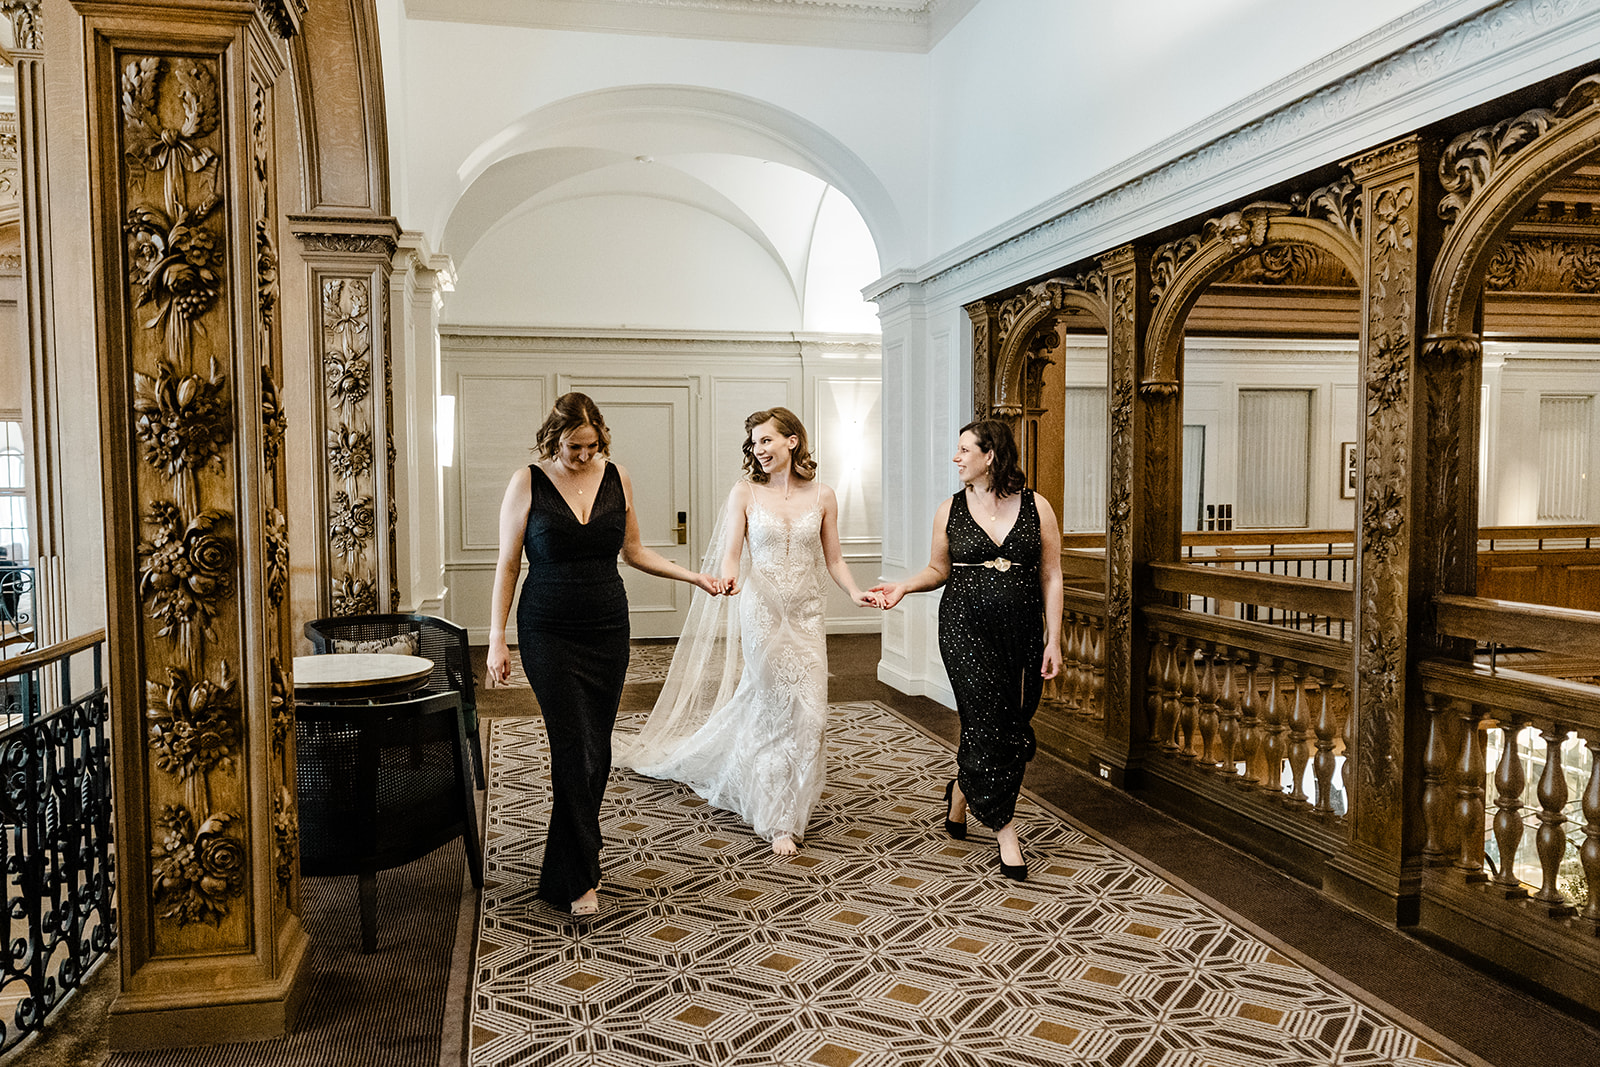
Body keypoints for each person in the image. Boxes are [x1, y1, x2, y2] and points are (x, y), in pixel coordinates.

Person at [485, 392, 725, 916]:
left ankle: (568, 862)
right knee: (575, 746)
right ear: (555, 439)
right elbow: (508, 563)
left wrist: (694, 577)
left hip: (607, 630)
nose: (584, 455)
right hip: (547, 630)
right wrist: (496, 637)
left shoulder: (617, 477)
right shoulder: (527, 481)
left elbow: (634, 551)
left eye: (592, 446)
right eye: (574, 446)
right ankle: (579, 878)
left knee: (597, 749)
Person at [616, 407, 880, 855]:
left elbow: (834, 558)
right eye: (754, 443)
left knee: (811, 715)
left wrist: (855, 592)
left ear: (792, 441)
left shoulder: (824, 496)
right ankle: (779, 819)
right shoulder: (745, 493)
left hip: (806, 614)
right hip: (762, 612)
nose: (759, 450)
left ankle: (790, 800)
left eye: (766, 440)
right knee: (774, 707)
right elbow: (732, 554)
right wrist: (728, 578)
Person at [872, 419, 1062, 881]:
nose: (955, 458)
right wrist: (903, 587)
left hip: (1021, 632)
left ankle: (960, 790)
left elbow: (1051, 575)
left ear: (990, 454)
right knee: (983, 719)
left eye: (964, 450)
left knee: (1013, 722)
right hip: (964, 629)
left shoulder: (1037, 506)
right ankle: (1004, 828)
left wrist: (1054, 638)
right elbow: (938, 569)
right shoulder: (950, 509)